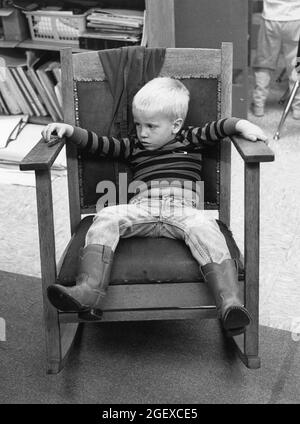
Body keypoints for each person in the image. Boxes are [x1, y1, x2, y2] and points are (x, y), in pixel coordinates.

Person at [42, 77, 267, 336]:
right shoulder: (134, 146)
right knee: (105, 216)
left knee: (206, 227)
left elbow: (221, 127)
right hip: (143, 208)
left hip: (184, 210)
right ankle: (88, 292)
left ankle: (229, 303)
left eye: (151, 126)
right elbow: (100, 144)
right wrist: (69, 130)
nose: (142, 133)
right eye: (138, 125)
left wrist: (243, 125)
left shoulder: (190, 139)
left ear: (176, 125)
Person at [252, 0, 300, 118]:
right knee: (296, 64)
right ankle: (297, 107)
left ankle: (259, 105)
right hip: (296, 17)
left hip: (271, 17)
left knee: (264, 63)